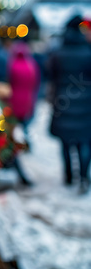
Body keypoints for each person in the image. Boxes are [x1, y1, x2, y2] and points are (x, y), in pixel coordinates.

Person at [48, 15, 91, 194]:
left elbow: (51, 76)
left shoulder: (58, 53)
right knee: (84, 142)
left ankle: (68, 177)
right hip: (86, 105)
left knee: (65, 143)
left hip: (63, 103)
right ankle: (83, 177)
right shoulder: (88, 52)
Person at [7, 41, 40, 185]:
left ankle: (19, 149)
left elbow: (9, 83)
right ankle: (26, 145)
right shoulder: (31, 65)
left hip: (14, 103)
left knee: (14, 133)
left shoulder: (12, 65)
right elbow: (36, 84)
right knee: (23, 129)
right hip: (27, 102)